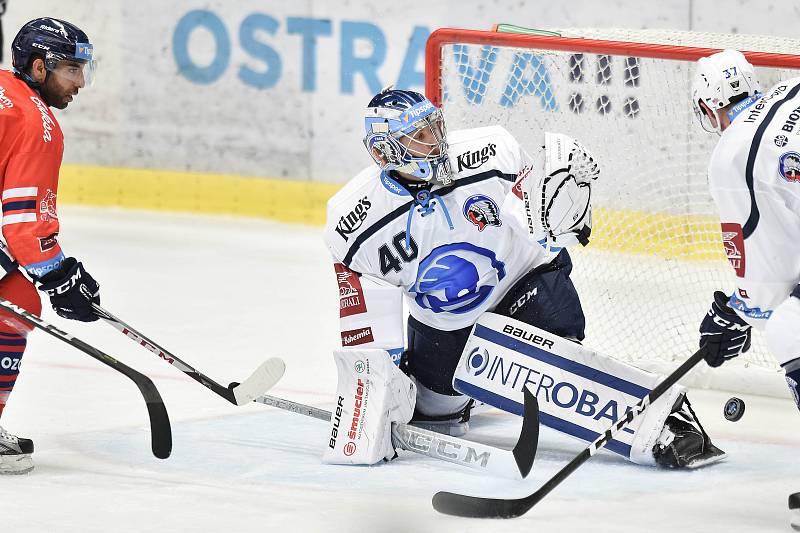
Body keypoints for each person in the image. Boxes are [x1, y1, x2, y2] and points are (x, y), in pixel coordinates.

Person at [322, 87, 723, 469]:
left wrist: (552, 219)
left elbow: (533, 220)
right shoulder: (352, 220)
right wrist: (376, 380)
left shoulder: (490, 150)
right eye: (420, 137)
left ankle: (664, 420)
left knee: (547, 365)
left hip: (527, 283)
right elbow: (368, 304)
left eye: (435, 128)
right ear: (384, 152)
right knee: (432, 416)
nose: (437, 142)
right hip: (447, 324)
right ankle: (464, 394)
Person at [692, 48, 800, 526]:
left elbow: (768, 287)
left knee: (790, 328)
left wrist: (735, 312)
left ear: (707, 107)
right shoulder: (789, 91)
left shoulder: (733, 154)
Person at [0, 18, 102, 474]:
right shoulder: (38, 124)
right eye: (70, 71)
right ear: (38, 68)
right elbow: (25, 226)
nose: (80, 83)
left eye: (83, 70)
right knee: (17, 300)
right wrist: (61, 279)